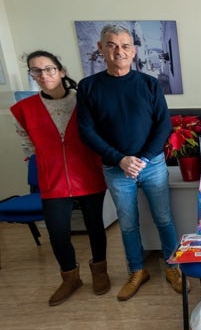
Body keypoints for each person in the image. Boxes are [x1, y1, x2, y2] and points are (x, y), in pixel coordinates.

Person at [77, 24, 188, 301]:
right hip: (116, 168)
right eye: (112, 45)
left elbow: (163, 126)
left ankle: (173, 266)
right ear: (101, 49)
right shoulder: (89, 87)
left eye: (125, 45)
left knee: (164, 218)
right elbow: (86, 132)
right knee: (127, 223)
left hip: (152, 165)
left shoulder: (149, 84)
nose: (119, 51)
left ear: (134, 51)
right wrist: (120, 159)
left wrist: (143, 158)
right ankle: (137, 270)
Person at [10, 50, 110, 306]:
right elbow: (27, 143)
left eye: (49, 69)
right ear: (32, 75)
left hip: (87, 173)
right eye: (37, 71)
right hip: (52, 178)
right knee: (57, 232)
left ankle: (100, 271)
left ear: (61, 71)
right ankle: (70, 277)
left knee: (95, 227)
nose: (43, 75)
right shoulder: (24, 109)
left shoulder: (83, 100)